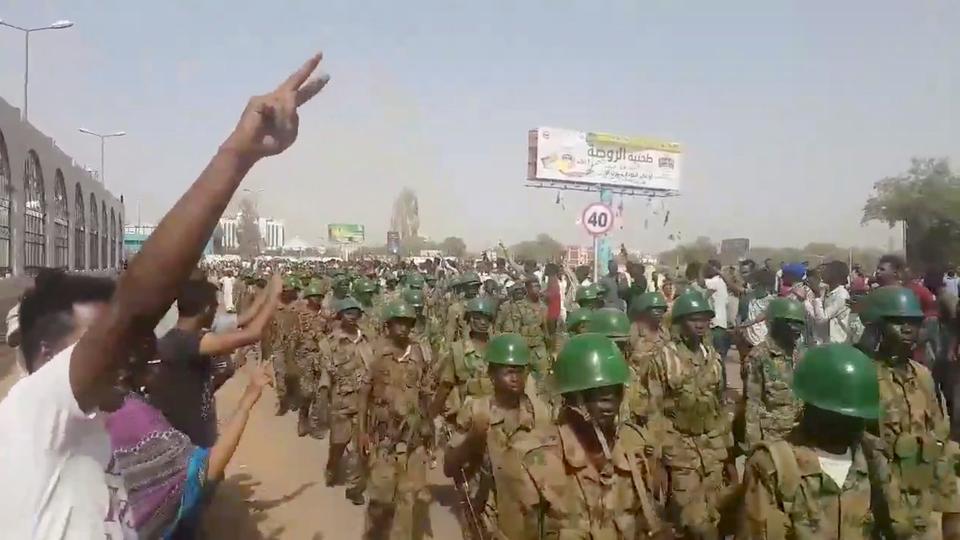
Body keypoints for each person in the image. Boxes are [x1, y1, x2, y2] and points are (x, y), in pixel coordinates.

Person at [0, 52, 329, 539]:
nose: (128, 358)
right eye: (104, 344)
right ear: (46, 360)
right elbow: (136, 308)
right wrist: (236, 156)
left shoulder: (90, 437)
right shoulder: (30, 420)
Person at [502, 333, 669, 539]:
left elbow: (651, 516)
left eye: (614, 390)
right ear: (571, 397)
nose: (609, 403)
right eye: (596, 392)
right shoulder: (531, 460)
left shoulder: (637, 447)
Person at [107, 359, 271, 538]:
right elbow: (203, 470)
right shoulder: (135, 414)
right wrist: (247, 402)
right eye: (152, 359)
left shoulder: (89, 412)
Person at [738, 343, 887, 539]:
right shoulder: (773, 466)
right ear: (813, 408)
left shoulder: (871, 458)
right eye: (841, 415)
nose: (854, 424)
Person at [859, 286, 960, 538]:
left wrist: (949, 509)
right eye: (897, 321)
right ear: (876, 326)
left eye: (914, 322)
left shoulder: (923, 376)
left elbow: (940, 437)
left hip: (919, 502)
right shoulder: (863, 375)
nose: (907, 329)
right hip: (874, 504)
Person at [151, 276, 280, 447]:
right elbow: (253, 333)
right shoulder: (184, 342)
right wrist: (275, 295)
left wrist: (268, 290)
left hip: (196, 435)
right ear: (206, 309)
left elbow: (201, 386)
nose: (216, 312)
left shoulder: (184, 339)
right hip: (188, 443)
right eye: (215, 307)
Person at [442, 333, 549, 539]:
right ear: (491, 374)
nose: (515, 377)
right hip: (485, 517)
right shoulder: (476, 411)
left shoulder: (540, 413)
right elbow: (450, 467)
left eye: (520, 370)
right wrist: (474, 438)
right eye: (508, 371)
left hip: (528, 518)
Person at [649, 290, 736, 538]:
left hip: (712, 450)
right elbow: (653, 410)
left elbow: (721, 405)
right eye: (693, 319)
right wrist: (658, 459)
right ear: (679, 323)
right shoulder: (664, 358)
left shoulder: (715, 360)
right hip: (679, 448)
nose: (700, 324)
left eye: (705, 319)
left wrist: (728, 455)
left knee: (715, 514)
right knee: (692, 520)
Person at [358, 301, 435, 540]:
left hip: (412, 439)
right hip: (383, 438)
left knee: (407, 498)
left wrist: (430, 431)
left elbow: (426, 395)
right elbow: (363, 395)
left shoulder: (420, 354)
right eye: (398, 323)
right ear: (388, 325)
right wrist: (361, 431)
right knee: (380, 498)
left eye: (407, 323)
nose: (403, 328)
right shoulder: (374, 353)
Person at [316, 296, 372, 505]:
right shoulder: (329, 343)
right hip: (340, 401)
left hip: (363, 402)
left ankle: (354, 487)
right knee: (338, 443)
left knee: (359, 446)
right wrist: (323, 396)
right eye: (347, 312)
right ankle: (332, 465)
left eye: (355, 312)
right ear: (340, 315)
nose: (352, 316)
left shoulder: (367, 340)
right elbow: (326, 374)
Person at [740, 298, 805, 451]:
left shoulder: (801, 355)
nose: (796, 329)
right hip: (771, 440)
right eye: (789, 323)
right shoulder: (759, 356)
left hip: (798, 438)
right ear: (775, 324)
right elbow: (752, 404)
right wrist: (754, 446)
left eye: (799, 323)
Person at [627, 291, 670, 426]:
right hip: (638, 384)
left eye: (661, 310)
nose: (658, 313)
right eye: (654, 309)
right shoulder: (634, 331)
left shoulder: (665, 332)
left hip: (659, 384)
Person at [703, 259, 732, 359]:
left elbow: (703, 297)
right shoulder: (721, 282)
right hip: (722, 324)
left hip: (713, 325)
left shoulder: (711, 282)